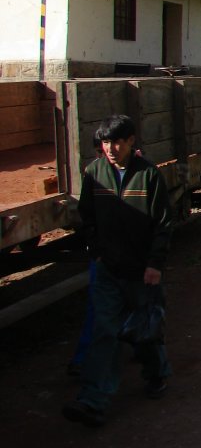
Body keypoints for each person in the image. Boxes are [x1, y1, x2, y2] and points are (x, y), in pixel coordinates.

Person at [62, 114, 174, 427]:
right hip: (109, 270)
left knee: (145, 333)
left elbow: (163, 223)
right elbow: (88, 216)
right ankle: (93, 401)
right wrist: (96, 251)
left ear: (130, 141)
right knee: (106, 331)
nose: (111, 148)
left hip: (141, 271)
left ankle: (157, 374)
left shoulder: (149, 175)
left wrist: (154, 264)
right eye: (106, 142)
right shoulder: (95, 173)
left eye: (117, 142)